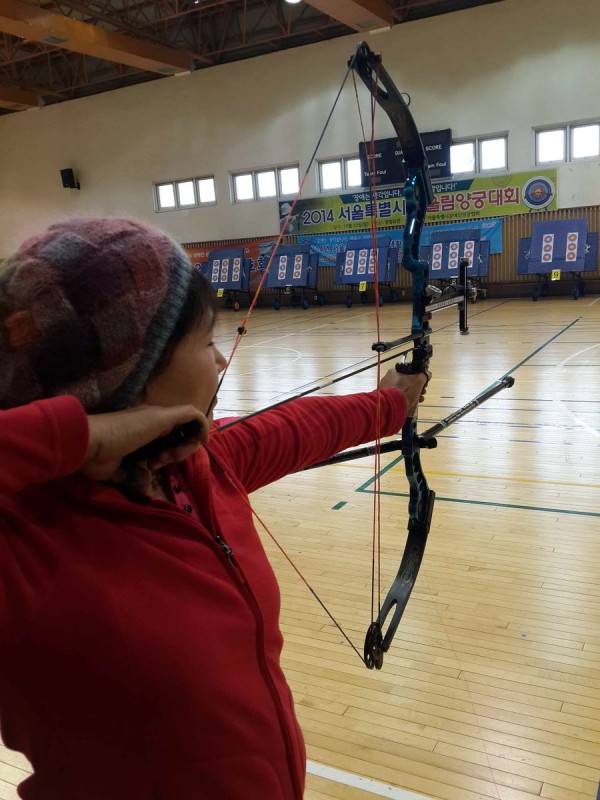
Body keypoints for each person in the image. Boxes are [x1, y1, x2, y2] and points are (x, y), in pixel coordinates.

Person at [0, 218, 429, 800]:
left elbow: (293, 428)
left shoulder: (194, 465)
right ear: (134, 377)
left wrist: (388, 404)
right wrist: (83, 435)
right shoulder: (21, 542)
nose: (222, 361)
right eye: (206, 343)